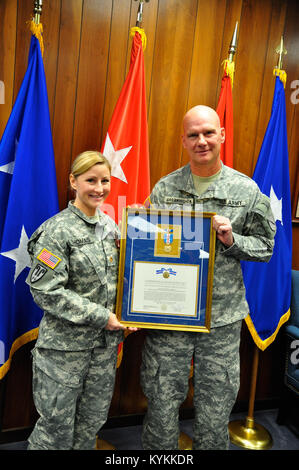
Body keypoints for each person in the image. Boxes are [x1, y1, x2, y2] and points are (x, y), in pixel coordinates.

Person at [140, 105, 276, 450]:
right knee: (160, 401)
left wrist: (231, 239)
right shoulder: (165, 189)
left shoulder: (246, 190)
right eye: (193, 135)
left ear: (222, 135)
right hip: (169, 314)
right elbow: (146, 248)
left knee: (215, 408)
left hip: (221, 318)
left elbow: (266, 247)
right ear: (183, 141)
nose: (202, 141)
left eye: (208, 133)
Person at [26, 150, 133, 450]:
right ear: (73, 181)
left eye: (105, 180)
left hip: (103, 351)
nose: (99, 188)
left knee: (89, 428)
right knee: (54, 434)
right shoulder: (56, 231)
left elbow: (120, 280)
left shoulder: (110, 227)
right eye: (91, 180)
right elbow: (45, 290)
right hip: (64, 353)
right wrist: (103, 316)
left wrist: (133, 313)